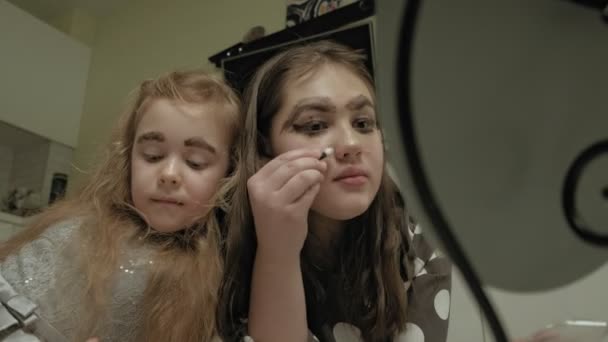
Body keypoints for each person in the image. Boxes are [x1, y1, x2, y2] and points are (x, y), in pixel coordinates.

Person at [218, 40, 451, 342]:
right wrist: (278, 251)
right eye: (314, 126)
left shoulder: (417, 239)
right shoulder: (220, 247)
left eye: (364, 123)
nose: (351, 145)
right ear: (264, 150)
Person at [0, 70, 240, 342]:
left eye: (195, 161)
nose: (169, 174)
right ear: (128, 159)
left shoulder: (218, 275)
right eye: (152, 156)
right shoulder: (78, 234)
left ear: (229, 174)